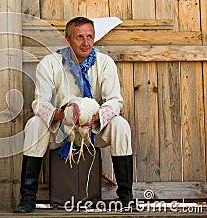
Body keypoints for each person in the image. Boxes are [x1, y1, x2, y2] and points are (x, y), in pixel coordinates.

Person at [14, 17, 133, 213]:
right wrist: (62, 116)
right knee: (35, 125)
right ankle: (27, 198)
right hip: (62, 129)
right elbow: (40, 102)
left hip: (93, 128)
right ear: (68, 40)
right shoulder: (50, 63)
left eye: (90, 37)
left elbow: (115, 100)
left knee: (121, 125)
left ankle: (126, 197)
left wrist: (97, 116)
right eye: (80, 37)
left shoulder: (105, 63)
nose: (86, 43)